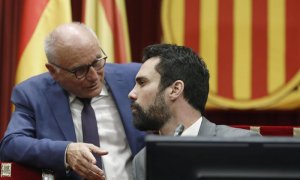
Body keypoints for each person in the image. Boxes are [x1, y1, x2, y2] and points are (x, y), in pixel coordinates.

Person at [0, 22, 145, 180]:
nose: (94, 77)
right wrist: (65, 152)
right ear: (53, 71)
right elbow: (11, 144)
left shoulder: (134, 77)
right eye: (80, 70)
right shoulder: (33, 94)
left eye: (97, 62)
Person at [128, 44, 261, 180]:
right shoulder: (142, 160)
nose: (131, 94)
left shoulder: (242, 146)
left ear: (175, 89)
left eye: (142, 83)